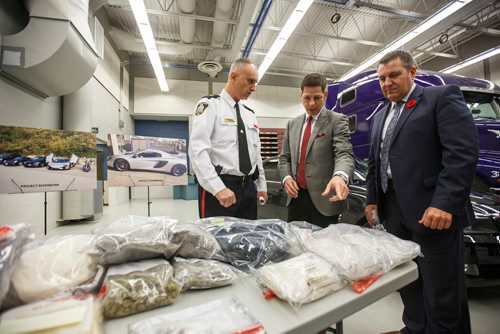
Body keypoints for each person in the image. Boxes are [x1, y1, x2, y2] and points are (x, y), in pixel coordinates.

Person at [365, 50, 478, 334]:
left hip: (433, 212)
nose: (387, 83)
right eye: (381, 78)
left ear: (412, 72)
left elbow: (461, 154)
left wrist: (445, 203)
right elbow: (374, 162)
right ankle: (415, 329)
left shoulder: (441, 98)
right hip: (394, 211)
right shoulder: (381, 116)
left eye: (394, 75)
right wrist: (371, 200)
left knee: (442, 288)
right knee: (409, 280)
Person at [189, 58, 267, 219]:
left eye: (256, 83)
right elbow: (198, 150)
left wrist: (261, 186)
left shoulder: (250, 114)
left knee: (246, 239)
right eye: (250, 81)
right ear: (233, 76)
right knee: (218, 241)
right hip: (220, 186)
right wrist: (217, 188)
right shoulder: (210, 106)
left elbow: (256, 154)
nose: (253, 88)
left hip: (248, 188)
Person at [278, 73, 354, 228]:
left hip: (324, 201)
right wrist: (286, 178)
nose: (311, 104)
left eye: (317, 98)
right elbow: (284, 158)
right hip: (296, 198)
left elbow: (344, 153)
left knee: (323, 248)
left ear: (325, 95)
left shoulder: (337, 120)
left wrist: (340, 176)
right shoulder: (292, 124)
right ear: (301, 96)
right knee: (295, 245)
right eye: (307, 98)